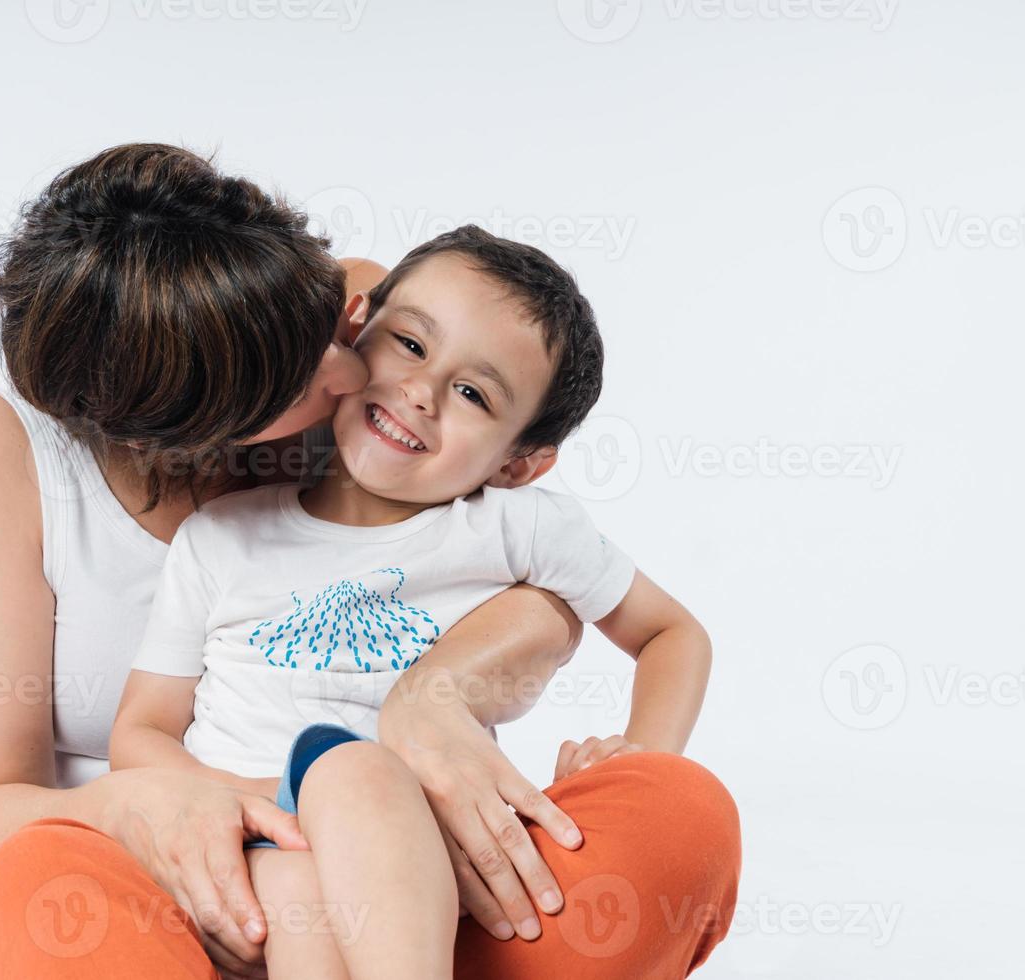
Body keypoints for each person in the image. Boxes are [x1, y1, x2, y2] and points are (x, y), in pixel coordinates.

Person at [0, 143, 740, 980]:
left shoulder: (373, 329)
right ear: (192, 429)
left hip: (421, 880)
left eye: (341, 325)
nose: (352, 363)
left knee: (681, 818)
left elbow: (534, 575)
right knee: (32, 888)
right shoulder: (79, 490)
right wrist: (164, 805)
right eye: (301, 371)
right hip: (172, 891)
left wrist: (436, 698)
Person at [109, 226, 723, 979]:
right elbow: (141, 733)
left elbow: (673, 634)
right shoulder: (222, 537)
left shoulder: (516, 528)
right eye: (409, 344)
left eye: (473, 394)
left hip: (428, 871)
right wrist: (262, 806)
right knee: (344, 782)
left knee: (363, 778)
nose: (421, 392)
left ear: (519, 464)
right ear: (359, 323)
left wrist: (639, 755)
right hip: (249, 854)